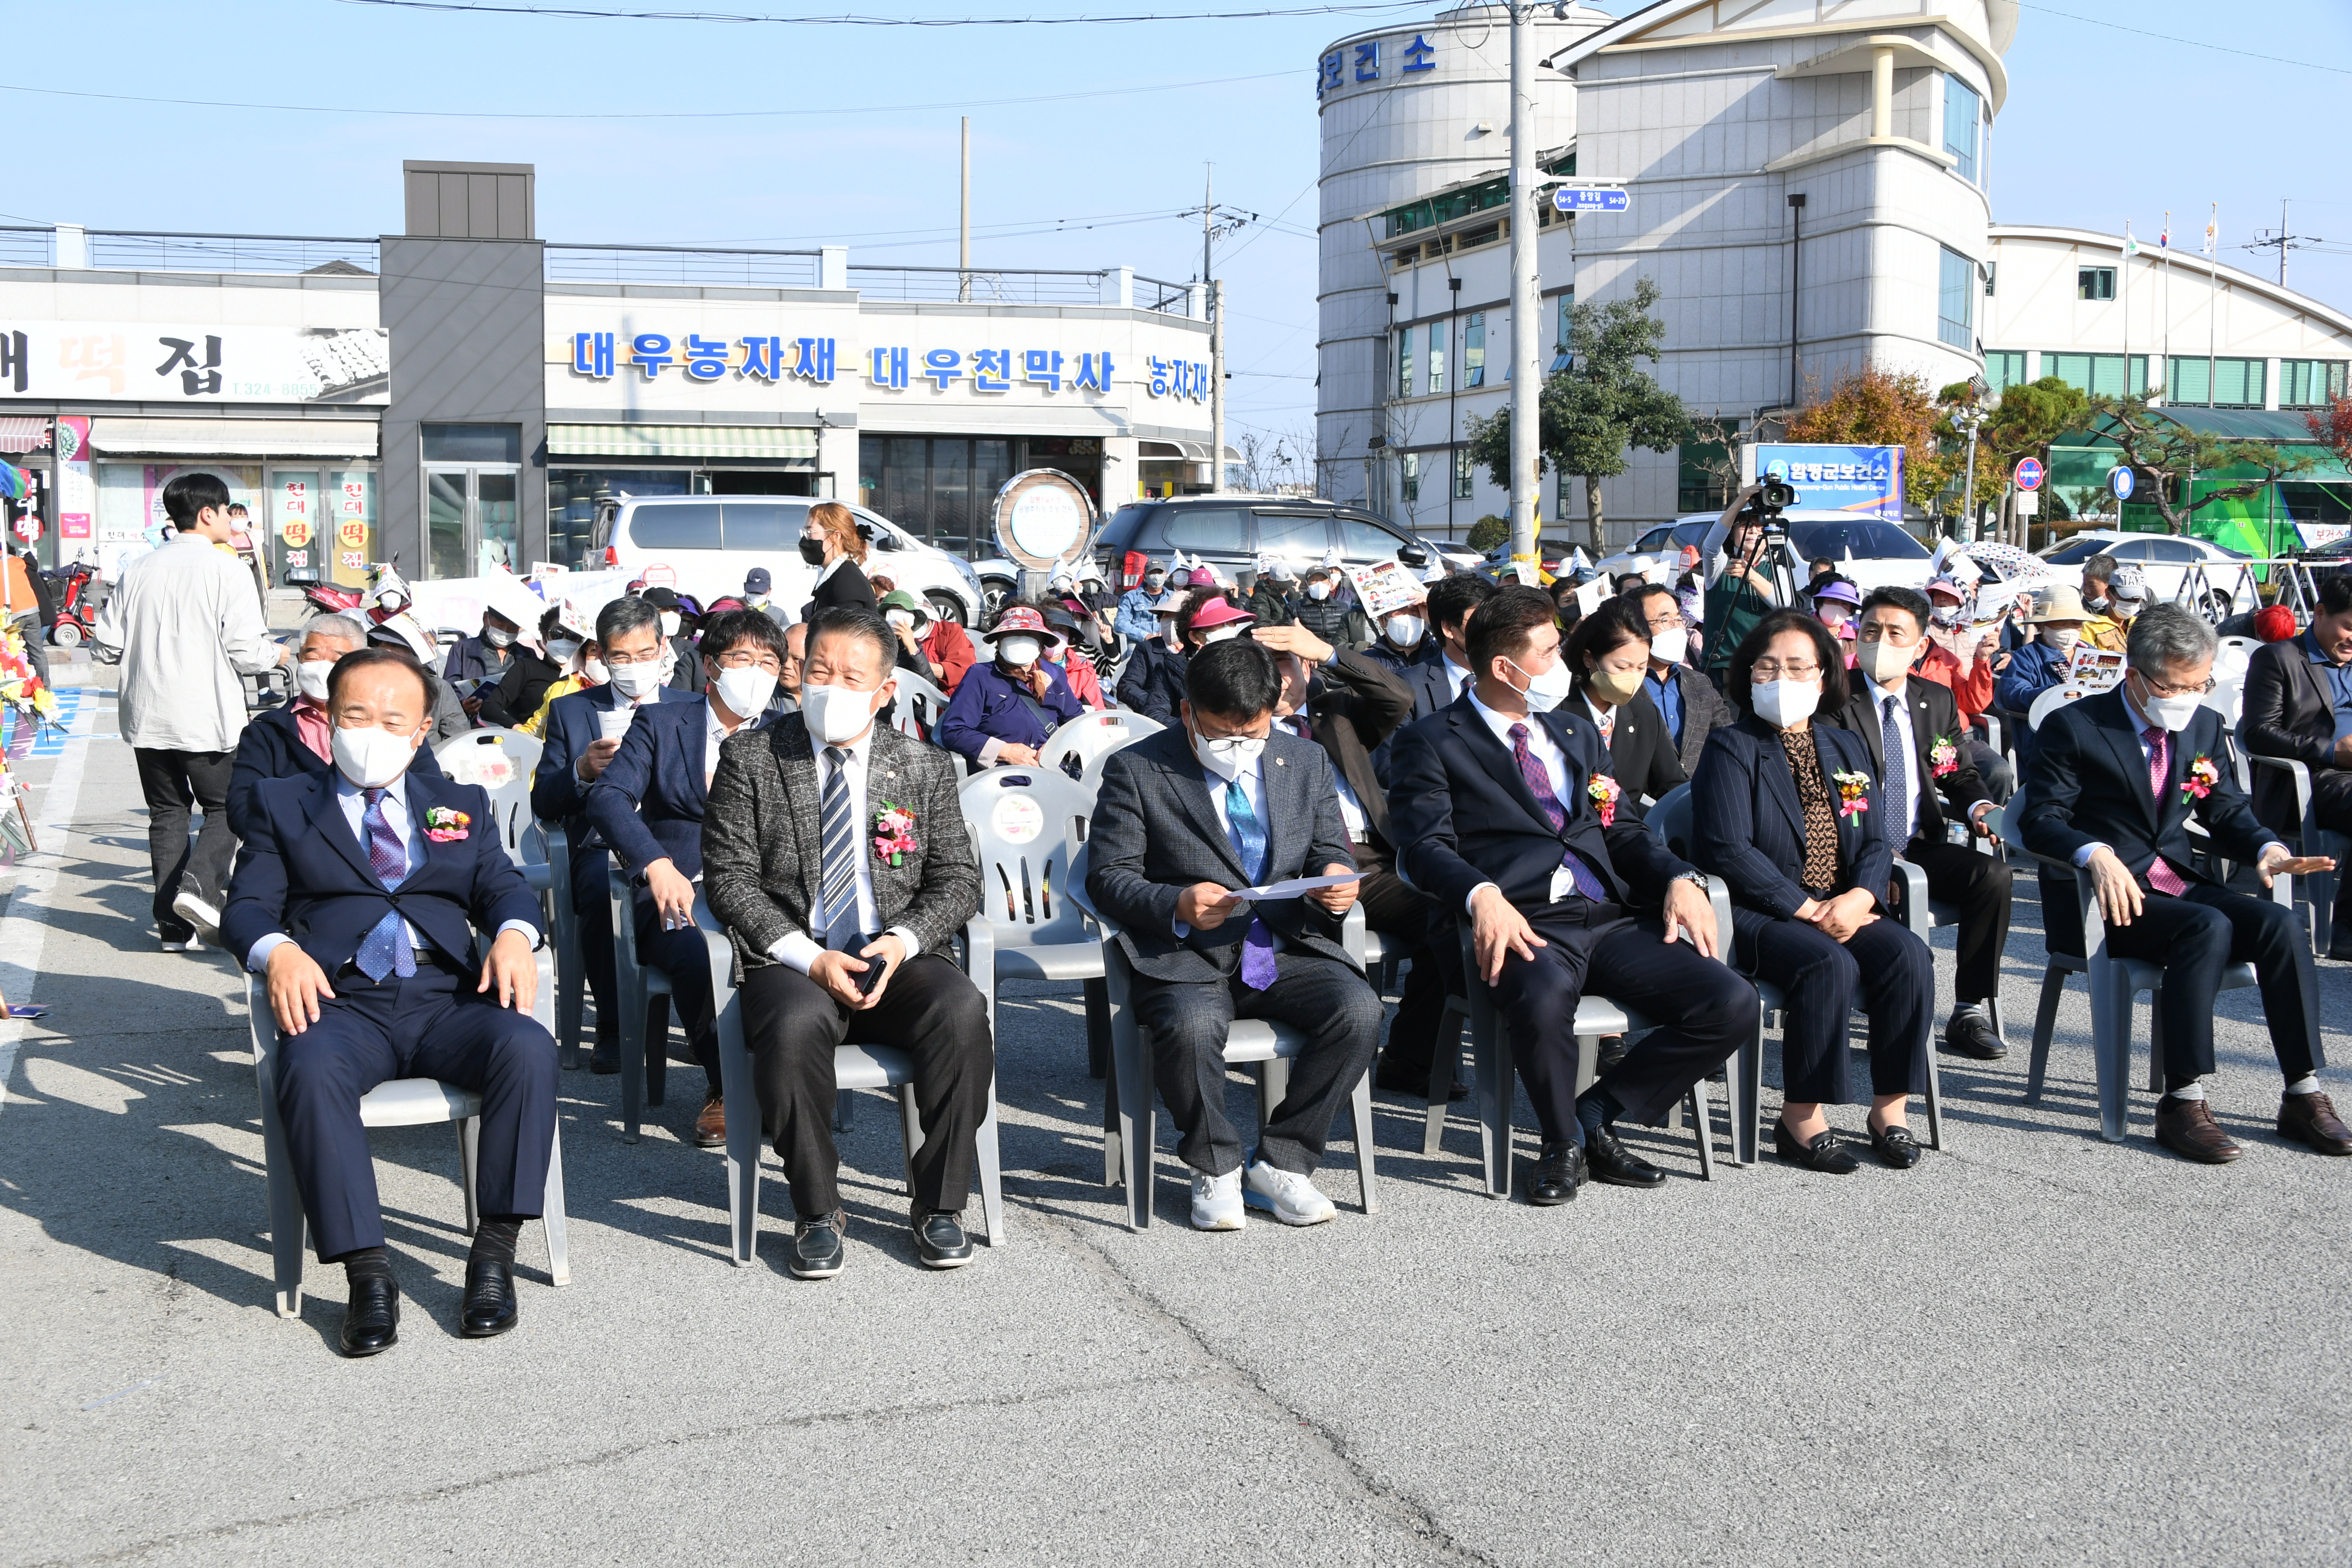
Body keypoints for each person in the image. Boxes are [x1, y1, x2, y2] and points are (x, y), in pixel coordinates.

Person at [220, 646, 555, 1357]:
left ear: (420, 728)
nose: (371, 731)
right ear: (329, 718)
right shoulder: (285, 803)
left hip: (445, 996)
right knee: (306, 1070)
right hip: (342, 1001)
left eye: (391, 718)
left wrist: (516, 935)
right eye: (355, 715)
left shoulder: (458, 803)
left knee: (526, 1047)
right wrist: (276, 951)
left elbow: (505, 889)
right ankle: (367, 1274)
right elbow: (246, 907)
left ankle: (493, 1254)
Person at [1386, 585, 1752, 1204]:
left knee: (1731, 1001)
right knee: (1544, 992)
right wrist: (1482, 895)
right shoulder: (1432, 741)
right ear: (1507, 668)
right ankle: (1558, 1143)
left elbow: (1623, 827)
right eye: (1551, 653)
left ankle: (1593, 1118)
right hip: (1521, 920)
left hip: (1603, 914)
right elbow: (1423, 846)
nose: (1564, 662)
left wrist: (1676, 878)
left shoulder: (1575, 734)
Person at [702, 605, 995, 1275]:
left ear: (885, 690)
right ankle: (817, 1207)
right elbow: (730, 879)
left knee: (961, 1011)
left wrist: (902, 942)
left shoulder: (922, 765)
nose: (830, 686)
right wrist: (809, 957)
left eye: (850, 675)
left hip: (891, 952)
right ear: (800, 677)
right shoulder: (752, 756)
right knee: (795, 1024)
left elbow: (956, 879)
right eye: (818, 671)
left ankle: (941, 1205)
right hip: (796, 953)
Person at [2021, 604, 2347, 1162]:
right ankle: (2182, 1100)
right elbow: (2040, 817)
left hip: (2176, 879)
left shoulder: (2201, 723)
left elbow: (2224, 808)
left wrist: (2268, 847)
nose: (2190, 697)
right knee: (2207, 926)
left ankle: (2303, 1091)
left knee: (2282, 924)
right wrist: (2094, 853)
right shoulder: (2076, 727)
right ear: (2137, 678)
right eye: (2177, 686)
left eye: (2201, 685)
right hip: (2104, 899)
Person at [1084, 637, 1380, 1229]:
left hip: (1284, 944)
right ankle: (1214, 1163)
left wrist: (1337, 876)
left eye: (1253, 733)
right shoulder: (1139, 768)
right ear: (1188, 711)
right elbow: (1109, 877)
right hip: (1186, 952)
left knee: (1359, 1011)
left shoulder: (1303, 760)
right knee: (1192, 1026)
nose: (1237, 747)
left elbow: (1329, 845)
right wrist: (1176, 903)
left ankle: (1282, 1162)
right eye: (1222, 734)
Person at [1691, 609, 1937, 1173]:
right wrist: (1805, 909)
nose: (1782, 678)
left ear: (1824, 676)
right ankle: (1801, 1117)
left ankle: (1889, 1110)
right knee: (1828, 964)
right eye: (1768, 666)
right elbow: (1727, 849)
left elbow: (1875, 841)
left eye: (1798, 667)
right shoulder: (1732, 747)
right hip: (1761, 912)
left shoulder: (1845, 747)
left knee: (1908, 956)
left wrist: (1859, 899)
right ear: (1748, 674)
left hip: (1840, 906)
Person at [585, 609, 787, 1149]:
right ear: (710, 665)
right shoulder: (661, 722)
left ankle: (784, 1077)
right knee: (700, 950)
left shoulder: (786, 735)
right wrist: (653, 862)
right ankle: (727, 1086)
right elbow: (608, 798)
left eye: (769, 662)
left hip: (765, 891)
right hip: (677, 890)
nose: (757, 672)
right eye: (743, 659)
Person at [91, 471, 293, 950]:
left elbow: (105, 645)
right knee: (227, 805)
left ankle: (172, 926)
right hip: (205, 715)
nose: (231, 520)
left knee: (167, 811)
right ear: (208, 514)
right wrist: (281, 654)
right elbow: (246, 650)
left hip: (146, 715)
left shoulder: (139, 568)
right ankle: (200, 888)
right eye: (227, 511)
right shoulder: (228, 569)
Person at [1252, 620, 1448, 1098]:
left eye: (1284, 663)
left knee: (1450, 915)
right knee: (1278, 948)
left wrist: (1328, 651)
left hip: (1371, 857)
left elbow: (1397, 697)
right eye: (1264, 667)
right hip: (1294, 869)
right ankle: (1286, 1058)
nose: (1277, 678)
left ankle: (1407, 1057)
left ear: (1304, 666)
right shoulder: (1242, 728)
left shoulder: (1334, 713)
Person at [1820, 587, 2013, 1061]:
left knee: (1993, 877)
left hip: (1917, 841)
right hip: (1854, 849)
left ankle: (1968, 1009)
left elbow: (1956, 772)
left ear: (1920, 644)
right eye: (1870, 631)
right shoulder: (1832, 701)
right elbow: (1825, 791)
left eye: (1894, 633)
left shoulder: (1935, 700)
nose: (1879, 641)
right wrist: (1876, 860)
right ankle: (1885, 998)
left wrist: (1979, 808)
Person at [531, 596, 690, 1073]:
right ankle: (614, 1026)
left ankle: (702, 1018)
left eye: (645, 655)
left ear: (663, 648)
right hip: (601, 845)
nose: (635, 667)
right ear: (601, 654)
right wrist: (582, 770)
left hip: (677, 843)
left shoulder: (691, 706)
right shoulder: (573, 710)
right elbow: (544, 802)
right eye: (621, 657)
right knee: (600, 892)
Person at [229, 613, 446, 840]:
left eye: (338, 660)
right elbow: (242, 807)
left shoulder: (396, 730)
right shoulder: (267, 731)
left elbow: (432, 794)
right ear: (299, 658)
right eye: (313, 658)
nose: (323, 669)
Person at [2244, 574, 2352, 961]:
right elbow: (2257, 733)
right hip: (2308, 780)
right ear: (2320, 613)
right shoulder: (2278, 658)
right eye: (2349, 627)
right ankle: (2346, 931)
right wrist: (2330, 752)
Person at [1561, 597, 1687, 814]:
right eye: (1622, 667)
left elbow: (1672, 786)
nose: (1632, 678)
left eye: (1641, 668)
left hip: (1627, 838)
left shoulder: (1646, 716)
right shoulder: (1556, 712)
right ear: (1589, 659)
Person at [936, 602, 1087, 771]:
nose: (1021, 640)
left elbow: (1079, 723)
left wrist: (1059, 749)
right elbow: (954, 731)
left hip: (1049, 776)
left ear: (1041, 643)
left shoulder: (1056, 676)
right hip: (998, 778)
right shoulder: (980, 676)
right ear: (998, 642)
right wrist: (1006, 751)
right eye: (1013, 634)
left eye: (1029, 634)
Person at [1628, 583, 1731, 779]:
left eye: (1679, 619)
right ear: (1636, 627)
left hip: (1701, 790)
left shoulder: (1699, 683)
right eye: (1666, 620)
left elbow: (1727, 735)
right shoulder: (1624, 684)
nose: (1676, 628)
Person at [1993, 583, 2093, 769]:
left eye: (2076, 623)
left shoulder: (2092, 653)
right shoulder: (2027, 656)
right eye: (2062, 623)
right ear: (2042, 626)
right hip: (2045, 741)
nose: (2069, 629)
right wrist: (2054, 694)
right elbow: (2012, 694)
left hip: (2090, 738)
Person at [1701, 488, 1778, 683]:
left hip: (1763, 666)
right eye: (1745, 526)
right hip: (1723, 665)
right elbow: (1710, 548)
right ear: (1733, 533)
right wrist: (1740, 502)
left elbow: (1784, 605)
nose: (1753, 531)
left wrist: (1749, 575)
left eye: (1760, 526)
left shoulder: (1776, 571)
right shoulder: (1722, 567)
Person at [1115, 588, 1194, 722]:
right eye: (1166, 616)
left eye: (1176, 617)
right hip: (1153, 719)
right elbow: (1127, 685)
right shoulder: (1147, 649)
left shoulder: (1196, 651)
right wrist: (1153, 703)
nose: (1170, 622)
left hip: (1189, 720)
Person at [799, 501, 876, 619]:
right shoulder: (835, 576)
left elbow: (845, 634)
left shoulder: (848, 582)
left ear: (836, 536)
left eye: (810, 533)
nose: (806, 539)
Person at [444, 604, 522, 705]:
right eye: (500, 626)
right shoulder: (462, 649)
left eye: (512, 628)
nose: (505, 632)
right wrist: (464, 703)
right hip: (474, 718)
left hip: (514, 719)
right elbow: (449, 690)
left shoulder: (527, 655)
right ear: (486, 618)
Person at [1042, 602, 1107, 709]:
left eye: (1062, 630)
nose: (1056, 634)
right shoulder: (1027, 665)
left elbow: (1096, 711)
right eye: (1051, 628)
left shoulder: (1083, 668)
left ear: (1069, 637)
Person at [642, 586, 705, 695]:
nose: (672, 614)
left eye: (676, 610)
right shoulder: (634, 648)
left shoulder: (692, 649)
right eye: (665, 609)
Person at [1293, 566, 1369, 650]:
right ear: (1306, 584)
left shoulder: (1343, 608)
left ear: (1330, 583)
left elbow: (1343, 641)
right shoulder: (1294, 608)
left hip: (1335, 656)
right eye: (1314, 580)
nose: (1319, 584)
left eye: (1323, 580)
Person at [874, 588, 940, 682]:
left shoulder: (914, 647)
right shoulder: (874, 641)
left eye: (907, 611)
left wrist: (913, 649)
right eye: (897, 610)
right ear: (884, 616)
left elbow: (930, 683)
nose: (901, 617)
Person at [1365, 591, 1434, 677]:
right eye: (1400, 612)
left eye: (1414, 611)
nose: (1408, 617)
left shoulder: (1439, 652)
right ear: (1383, 620)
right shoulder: (1367, 661)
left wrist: (1435, 618)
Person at [2078, 554, 2127, 653]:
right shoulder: (2080, 610)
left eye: (2092, 586)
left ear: (2109, 584)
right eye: (2085, 584)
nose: (2087, 590)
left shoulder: (2135, 601)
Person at [1114, 561, 1168, 648]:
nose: (1157, 577)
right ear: (1145, 577)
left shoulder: (1173, 598)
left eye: (1159, 573)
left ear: (1165, 575)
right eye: (1152, 573)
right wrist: (1145, 636)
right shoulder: (1130, 597)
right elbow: (1120, 623)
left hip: (1167, 644)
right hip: (1139, 644)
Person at [1809, 576, 1861, 650]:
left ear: (1850, 610)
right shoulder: (1803, 632)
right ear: (1820, 603)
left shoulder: (1857, 637)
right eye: (1833, 600)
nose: (1838, 607)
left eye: (1845, 604)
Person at [1244, 557, 1296, 628]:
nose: (1285, 589)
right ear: (1271, 582)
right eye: (1282, 586)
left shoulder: (1292, 594)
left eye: (1287, 585)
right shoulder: (1260, 597)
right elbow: (1262, 623)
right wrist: (1288, 624)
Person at [777, 620, 807, 714]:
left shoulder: (825, 698)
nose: (787, 665)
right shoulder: (765, 696)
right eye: (784, 656)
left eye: (797, 659)